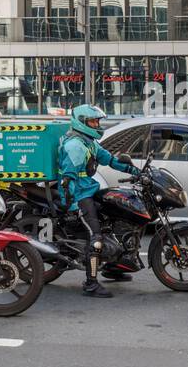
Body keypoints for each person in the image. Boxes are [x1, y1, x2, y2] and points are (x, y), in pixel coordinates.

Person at [56, 104, 142, 298]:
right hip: (78, 196)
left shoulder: (89, 143)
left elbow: (111, 160)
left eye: (97, 121)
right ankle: (91, 284)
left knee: (112, 219)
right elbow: (68, 177)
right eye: (93, 121)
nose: (97, 124)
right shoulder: (75, 146)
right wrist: (71, 204)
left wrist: (136, 171)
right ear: (82, 123)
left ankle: (113, 266)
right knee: (96, 238)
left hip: (88, 189)